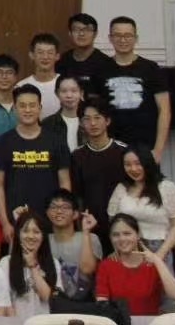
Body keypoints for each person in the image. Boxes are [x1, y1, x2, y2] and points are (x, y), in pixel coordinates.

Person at [0, 83, 72, 241]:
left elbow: (65, 183)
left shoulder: (56, 141)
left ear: (40, 108)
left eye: (32, 105)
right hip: (16, 221)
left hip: (51, 220)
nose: (27, 110)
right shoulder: (2, 143)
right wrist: (5, 222)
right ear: (15, 109)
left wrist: (64, 217)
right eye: (22, 106)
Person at [107, 145, 175, 260]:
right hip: (127, 249)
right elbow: (113, 222)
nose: (133, 169)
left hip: (159, 248)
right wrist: (117, 248)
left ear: (147, 163)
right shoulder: (121, 188)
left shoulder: (166, 187)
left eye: (138, 163)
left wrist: (160, 254)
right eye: (127, 165)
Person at [104, 17, 171, 153]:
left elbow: (165, 110)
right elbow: (95, 111)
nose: (123, 40)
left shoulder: (151, 68)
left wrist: (158, 151)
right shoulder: (101, 69)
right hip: (110, 148)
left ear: (136, 38)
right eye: (118, 35)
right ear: (110, 38)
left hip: (145, 147)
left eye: (128, 35)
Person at [96, 213, 175, 315]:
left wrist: (157, 260)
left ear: (138, 235)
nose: (122, 239)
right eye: (116, 235)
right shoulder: (106, 266)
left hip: (149, 320)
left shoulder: (152, 264)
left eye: (127, 233)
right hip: (119, 320)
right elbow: (102, 302)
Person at [71, 97, 128, 248]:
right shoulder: (77, 156)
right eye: (87, 119)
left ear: (107, 121)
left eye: (97, 118)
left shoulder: (123, 152)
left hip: (122, 226)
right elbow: (76, 195)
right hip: (90, 225)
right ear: (81, 123)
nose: (93, 123)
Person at [0, 209, 57, 318]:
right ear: (18, 234)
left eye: (36, 232)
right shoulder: (6, 262)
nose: (30, 236)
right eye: (25, 231)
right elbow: (5, 301)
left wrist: (32, 266)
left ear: (43, 236)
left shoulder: (54, 263)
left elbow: (47, 298)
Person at [44, 190, 101, 301]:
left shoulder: (91, 238)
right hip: (52, 302)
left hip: (85, 303)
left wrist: (86, 232)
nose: (59, 211)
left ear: (75, 214)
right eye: (53, 207)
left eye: (65, 207)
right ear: (47, 213)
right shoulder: (43, 241)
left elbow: (87, 269)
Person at [57, 12, 117, 99]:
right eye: (77, 29)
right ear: (70, 33)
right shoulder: (62, 60)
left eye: (87, 30)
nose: (82, 34)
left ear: (95, 34)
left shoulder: (106, 63)